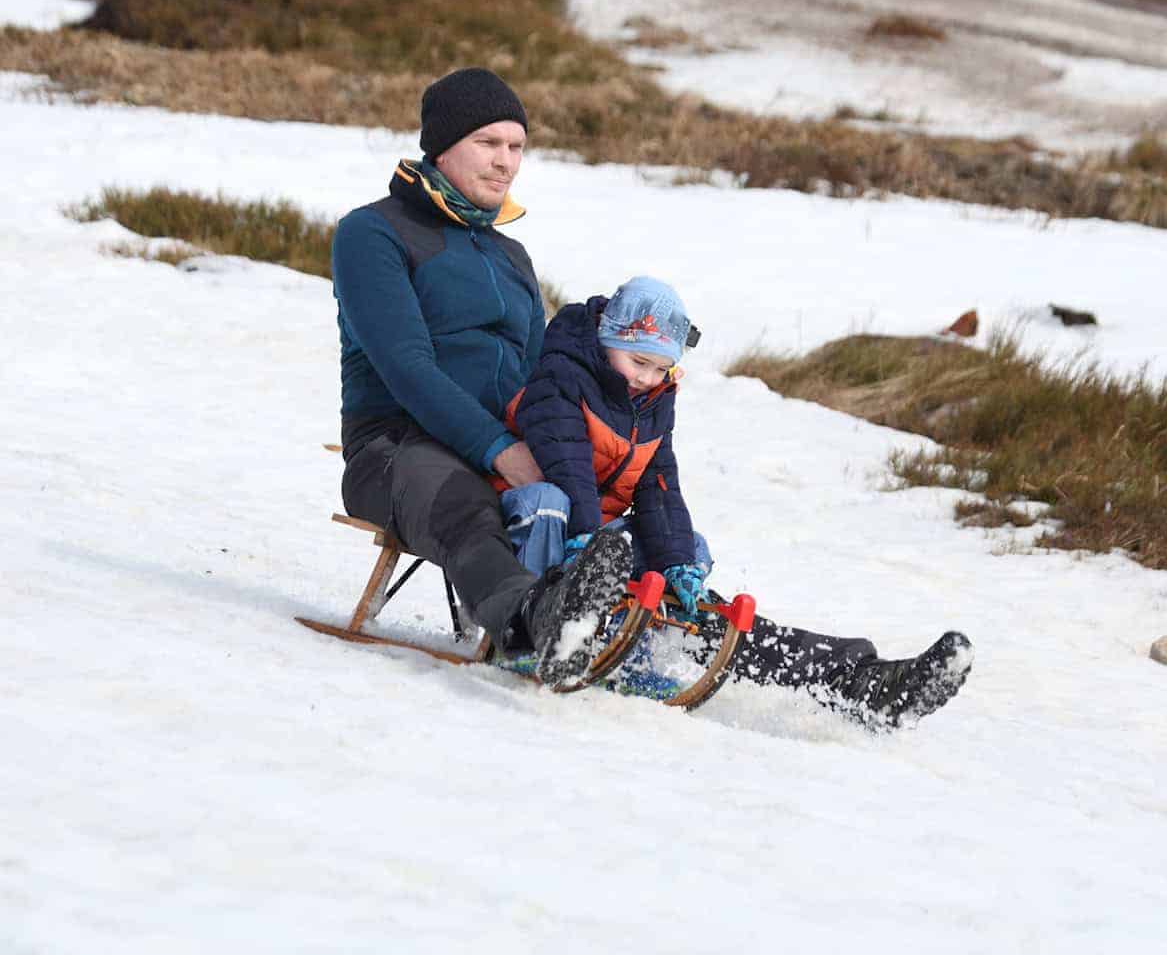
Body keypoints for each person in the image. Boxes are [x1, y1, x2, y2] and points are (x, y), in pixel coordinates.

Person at [496, 276, 974, 727]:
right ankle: (557, 631)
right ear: (607, 339)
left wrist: (677, 564)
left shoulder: (650, 402)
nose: (647, 378)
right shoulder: (562, 376)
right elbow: (569, 465)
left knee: (687, 556)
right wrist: (585, 542)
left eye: (661, 367)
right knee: (549, 501)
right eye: (638, 363)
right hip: (540, 542)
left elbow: (660, 489)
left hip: (599, 551)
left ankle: (860, 682)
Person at [330, 67, 636, 687]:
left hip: (507, 446)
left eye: (516, 146)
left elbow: (539, 375)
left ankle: (780, 655)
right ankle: (536, 618)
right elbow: (408, 369)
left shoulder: (509, 254)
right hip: (393, 451)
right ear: (441, 147)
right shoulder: (373, 234)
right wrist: (500, 450)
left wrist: (578, 444)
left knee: (622, 511)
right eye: (488, 144)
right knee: (469, 506)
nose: (506, 163)